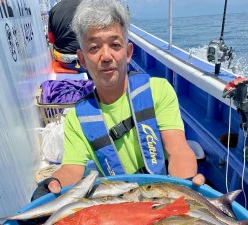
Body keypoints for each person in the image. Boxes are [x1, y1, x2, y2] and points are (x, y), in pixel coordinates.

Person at [33, 0, 205, 200]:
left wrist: (185, 184)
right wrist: (53, 183)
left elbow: (178, 150)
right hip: (119, 202)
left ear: (128, 52)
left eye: (115, 45)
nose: (106, 56)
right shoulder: (77, 119)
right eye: (94, 48)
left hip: (164, 194)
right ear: (82, 59)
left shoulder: (158, 91)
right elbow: (72, 169)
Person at [47, 0, 85, 71]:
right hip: (85, 59)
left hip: (64, 61)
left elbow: (51, 39)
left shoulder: (54, 10)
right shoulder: (88, 7)